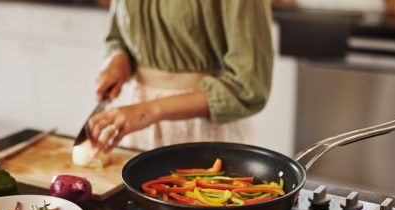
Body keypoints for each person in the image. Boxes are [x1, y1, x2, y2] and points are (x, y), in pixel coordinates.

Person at [88, 0, 273, 153]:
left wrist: (151, 110)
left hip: (205, 133)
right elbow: (118, 35)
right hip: (138, 127)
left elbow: (248, 87)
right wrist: (118, 60)